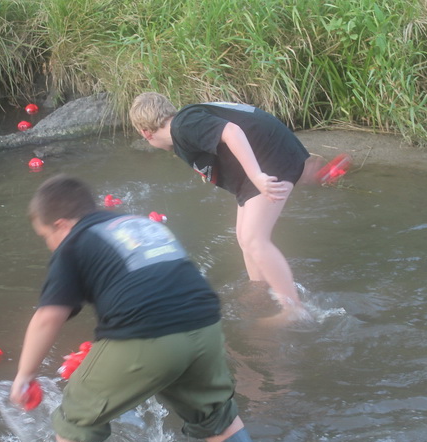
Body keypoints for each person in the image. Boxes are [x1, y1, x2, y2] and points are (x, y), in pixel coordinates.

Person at [10, 174, 259, 442]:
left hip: (149, 334)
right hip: (205, 327)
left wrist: (24, 376)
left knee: (77, 412)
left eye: (46, 236)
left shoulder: (74, 242)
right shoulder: (140, 225)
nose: (50, 246)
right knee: (214, 413)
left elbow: (48, 317)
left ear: (60, 224)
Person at [130, 92, 346, 325]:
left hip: (266, 160)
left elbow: (232, 131)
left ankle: (293, 309)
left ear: (145, 133)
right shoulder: (186, 126)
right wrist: (299, 171)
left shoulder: (184, 126)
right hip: (265, 160)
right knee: (244, 237)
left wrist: (258, 176)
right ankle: (259, 290)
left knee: (255, 239)